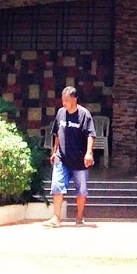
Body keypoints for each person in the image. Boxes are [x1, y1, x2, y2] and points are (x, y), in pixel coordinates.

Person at [47, 85, 96, 226]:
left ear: (75, 99)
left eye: (67, 100)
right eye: (63, 100)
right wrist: (54, 151)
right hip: (62, 157)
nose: (64, 103)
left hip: (79, 159)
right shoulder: (60, 113)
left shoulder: (84, 114)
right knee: (57, 185)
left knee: (81, 190)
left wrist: (89, 153)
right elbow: (57, 134)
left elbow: (90, 135)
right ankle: (56, 217)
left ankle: (79, 217)